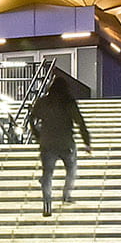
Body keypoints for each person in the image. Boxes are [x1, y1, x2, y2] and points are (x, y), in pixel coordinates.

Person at [28, 72, 93, 216]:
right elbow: (80, 122)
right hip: (66, 143)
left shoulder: (42, 102)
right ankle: (66, 194)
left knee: (47, 174)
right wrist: (87, 142)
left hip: (47, 143)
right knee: (71, 168)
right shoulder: (68, 102)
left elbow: (31, 119)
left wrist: (38, 135)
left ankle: (47, 204)